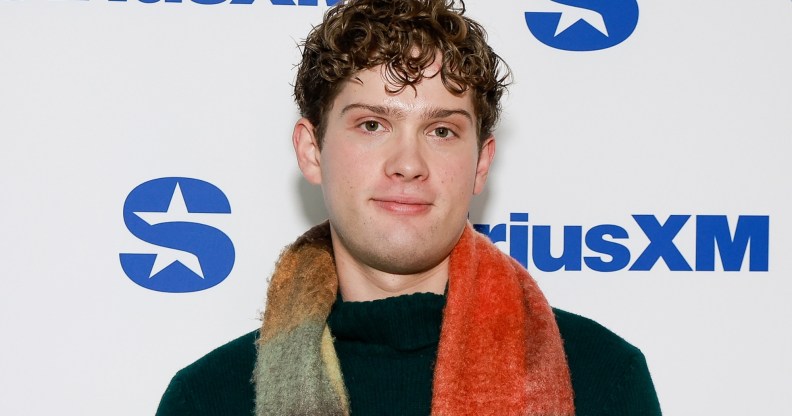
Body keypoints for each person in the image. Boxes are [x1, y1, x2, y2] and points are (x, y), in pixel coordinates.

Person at [156, 0, 662, 414]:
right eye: (372, 125)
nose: (408, 163)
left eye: (441, 131)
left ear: (481, 165)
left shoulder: (600, 379)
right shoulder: (209, 399)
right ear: (312, 151)